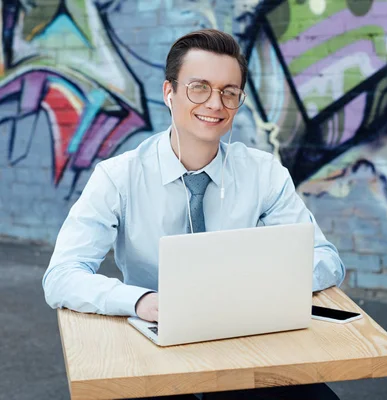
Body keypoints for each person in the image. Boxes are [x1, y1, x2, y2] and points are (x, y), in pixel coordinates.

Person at [42, 29, 344, 399]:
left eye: (229, 92)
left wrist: (263, 288)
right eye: (199, 87)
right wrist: (141, 301)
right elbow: (61, 276)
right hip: (157, 344)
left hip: (244, 338)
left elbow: (327, 260)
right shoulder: (118, 177)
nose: (215, 104)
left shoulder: (264, 173)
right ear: (169, 93)